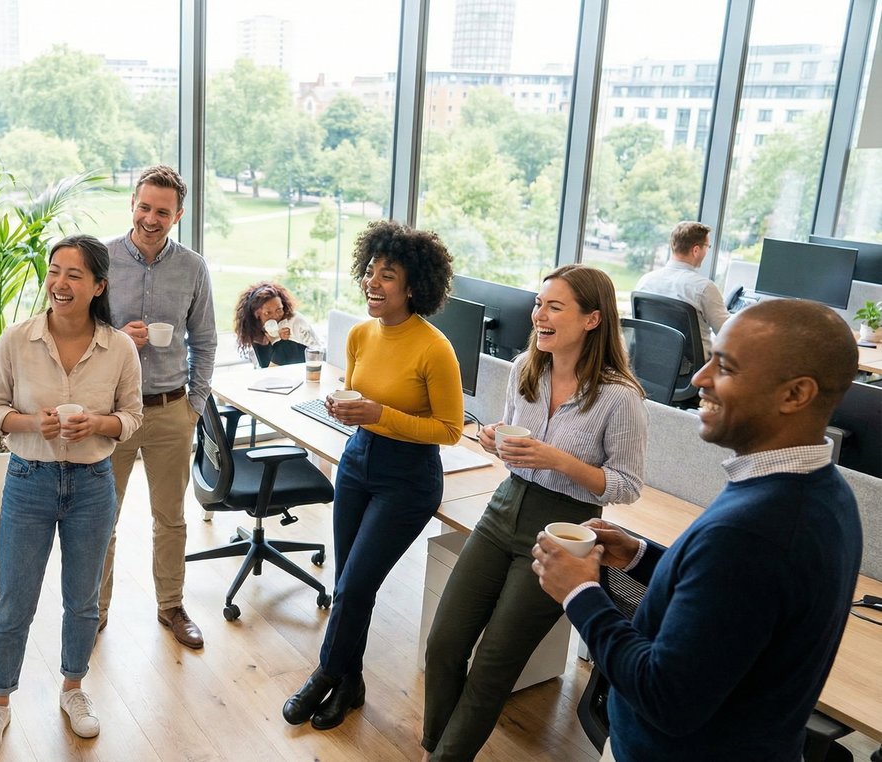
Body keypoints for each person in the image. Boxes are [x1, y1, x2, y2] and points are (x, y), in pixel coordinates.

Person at [532, 298, 862, 762]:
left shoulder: (757, 530)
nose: (697, 379)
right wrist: (642, 556)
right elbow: (731, 595)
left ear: (795, 395)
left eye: (723, 367)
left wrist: (580, 594)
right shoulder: (820, 489)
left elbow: (666, 697)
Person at [421, 264, 648, 762]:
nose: (538, 314)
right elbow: (515, 435)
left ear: (592, 319)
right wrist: (493, 437)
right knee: (443, 645)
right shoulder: (529, 365)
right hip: (504, 507)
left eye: (554, 306)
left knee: (493, 666)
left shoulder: (619, 397)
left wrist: (559, 461)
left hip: (564, 529)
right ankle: (435, 749)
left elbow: (627, 486)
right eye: (539, 304)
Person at [282, 220, 464, 731]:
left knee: (358, 585)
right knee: (348, 584)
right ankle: (351, 682)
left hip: (408, 480)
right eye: (370, 271)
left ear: (414, 287)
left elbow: (450, 430)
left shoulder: (435, 348)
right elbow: (360, 395)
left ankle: (324, 673)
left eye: (388, 275)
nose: (372, 282)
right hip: (358, 462)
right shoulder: (361, 335)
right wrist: (351, 414)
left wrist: (379, 415)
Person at [0, 234, 143, 758]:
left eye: (73, 274)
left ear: (97, 285)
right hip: (28, 481)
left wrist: (100, 422)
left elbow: (132, 417)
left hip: (93, 485)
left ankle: (73, 689)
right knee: (14, 599)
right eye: (54, 271)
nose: (60, 283)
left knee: (83, 600)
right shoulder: (17, 340)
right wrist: (30, 424)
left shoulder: (120, 347)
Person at [99, 165, 217, 649]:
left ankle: (171, 606)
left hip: (172, 411)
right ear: (132, 202)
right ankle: (94, 611)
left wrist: (194, 405)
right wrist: (116, 338)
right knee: (102, 518)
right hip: (112, 413)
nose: (151, 218)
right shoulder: (100, 259)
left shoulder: (193, 267)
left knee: (170, 517)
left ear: (178, 215)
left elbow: (206, 341)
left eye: (163, 212)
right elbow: (74, 332)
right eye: (145, 207)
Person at [632, 221, 730, 359]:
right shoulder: (704, 288)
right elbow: (727, 333)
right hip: (693, 370)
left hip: (652, 363)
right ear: (696, 250)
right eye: (707, 246)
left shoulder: (645, 281)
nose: (707, 251)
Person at [233, 280, 321, 367]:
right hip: (276, 369)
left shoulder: (294, 320)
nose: (275, 316)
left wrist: (279, 338)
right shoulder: (255, 328)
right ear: (257, 314)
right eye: (268, 313)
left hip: (307, 363)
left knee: (284, 346)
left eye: (279, 310)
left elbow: (315, 349)